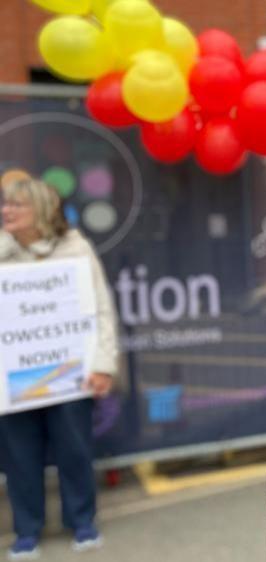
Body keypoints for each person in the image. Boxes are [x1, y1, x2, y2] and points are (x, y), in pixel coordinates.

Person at [0, 179, 118, 559]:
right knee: (19, 456)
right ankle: (27, 530)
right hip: (14, 378)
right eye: (5, 207)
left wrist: (103, 364)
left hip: (71, 375)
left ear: (40, 210)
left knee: (75, 450)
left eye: (16, 207)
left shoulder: (76, 248)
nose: (6, 212)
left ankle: (82, 521)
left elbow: (101, 309)